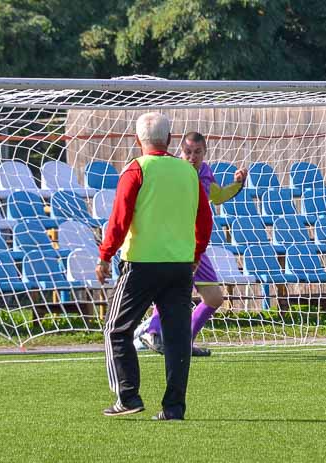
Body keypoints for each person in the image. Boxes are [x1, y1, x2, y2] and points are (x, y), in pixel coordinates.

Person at [96, 113, 213, 420]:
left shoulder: (136, 170)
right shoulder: (188, 172)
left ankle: (128, 396)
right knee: (177, 338)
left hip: (141, 265)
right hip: (179, 267)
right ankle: (174, 408)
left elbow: (119, 220)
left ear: (138, 140)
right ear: (171, 140)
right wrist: (196, 254)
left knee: (116, 329)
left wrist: (105, 255)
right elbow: (205, 221)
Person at [136, 131, 247, 357]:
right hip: (172, 243)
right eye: (187, 152)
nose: (192, 156)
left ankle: (181, 343)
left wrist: (237, 184)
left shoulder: (205, 173)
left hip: (194, 246)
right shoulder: (173, 170)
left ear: (205, 152)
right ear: (180, 152)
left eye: (197, 152)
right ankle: (152, 331)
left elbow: (217, 196)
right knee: (173, 287)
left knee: (214, 298)